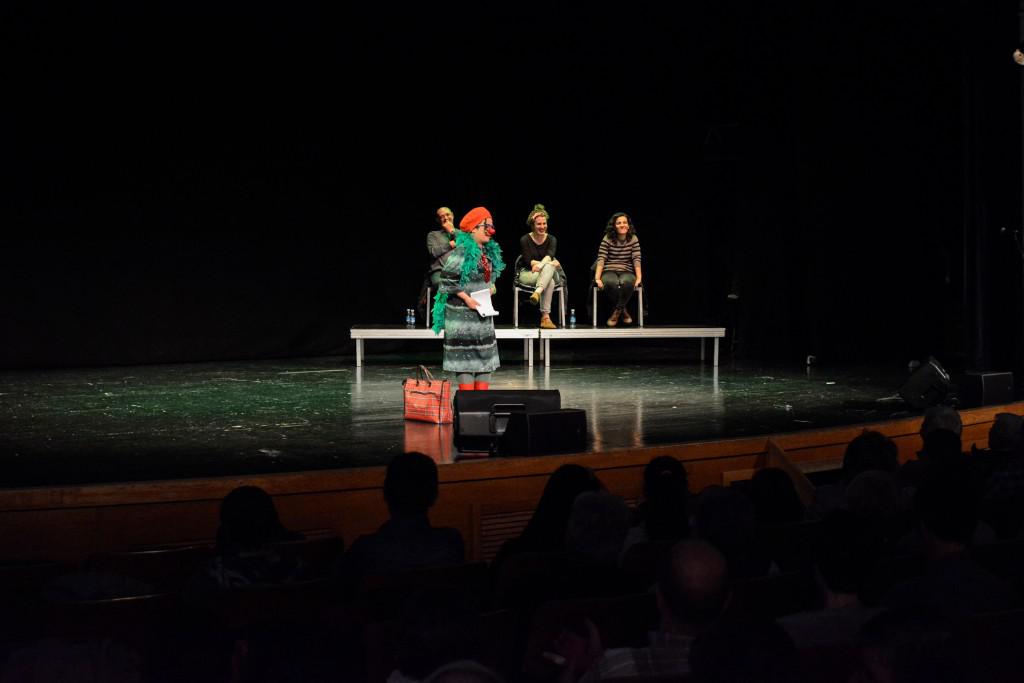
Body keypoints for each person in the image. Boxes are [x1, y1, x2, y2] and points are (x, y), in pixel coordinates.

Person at [431, 206, 505, 391]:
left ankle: (480, 403)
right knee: (464, 361)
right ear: (473, 229)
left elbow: (488, 278)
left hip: (482, 316)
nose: (490, 231)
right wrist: (467, 298)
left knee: (485, 359)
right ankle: (468, 404)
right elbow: (446, 280)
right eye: (486, 226)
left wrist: (491, 287)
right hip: (462, 319)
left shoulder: (487, 252)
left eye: (492, 226)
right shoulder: (462, 251)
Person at [518, 203, 565, 329]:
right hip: (529, 273)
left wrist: (542, 265)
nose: (542, 226)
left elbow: (550, 255)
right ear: (533, 225)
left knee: (549, 269)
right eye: (539, 224)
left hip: (544, 274)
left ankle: (537, 293)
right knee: (550, 273)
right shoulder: (525, 239)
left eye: (544, 223)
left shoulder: (552, 239)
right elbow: (527, 260)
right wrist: (545, 264)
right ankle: (545, 318)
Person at [594, 212, 642, 327]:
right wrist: (597, 278)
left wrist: (639, 277)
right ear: (614, 226)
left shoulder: (633, 238)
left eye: (624, 222)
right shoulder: (608, 238)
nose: (622, 225)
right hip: (609, 269)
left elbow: (636, 258)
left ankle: (616, 313)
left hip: (627, 270)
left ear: (628, 225)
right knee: (611, 282)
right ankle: (623, 311)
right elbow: (601, 258)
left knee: (627, 282)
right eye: (619, 223)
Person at [427, 206, 458, 290]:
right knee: (445, 284)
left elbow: (466, 248)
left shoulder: (461, 234)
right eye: (442, 216)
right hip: (441, 273)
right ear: (438, 220)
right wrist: (449, 245)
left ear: (452, 215)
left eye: (448, 214)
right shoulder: (433, 235)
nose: (446, 218)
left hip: (460, 272)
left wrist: (452, 231)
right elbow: (433, 253)